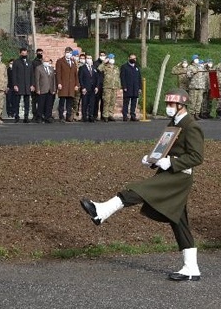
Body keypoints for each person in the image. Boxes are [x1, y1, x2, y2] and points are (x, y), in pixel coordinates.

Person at [80, 88, 205, 282]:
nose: (169, 108)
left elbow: (197, 157)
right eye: (168, 104)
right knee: (178, 220)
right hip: (169, 172)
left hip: (178, 177)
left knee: (140, 190)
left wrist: (172, 162)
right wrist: (153, 159)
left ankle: (102, 210)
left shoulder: (191, 126)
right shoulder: (174, 123)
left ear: (182, 106)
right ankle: (191, 267)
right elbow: (165, 147)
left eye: (172, 105)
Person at [55, 47, 80, 122]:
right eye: (67, 52)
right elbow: (58, 73)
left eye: (70, 52)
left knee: (70, 102)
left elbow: (76, 75)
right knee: (62, 101)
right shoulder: (60, 61)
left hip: (71, 85)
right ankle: (61, 116)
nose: (68, 54)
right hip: (63, 84)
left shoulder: (73, 62)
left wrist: (76, 84)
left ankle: (68, 116)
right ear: (65, 52)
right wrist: (59, 83)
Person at [11, 48, 34, 123]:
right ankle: (16, 116)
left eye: (25, 53)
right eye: (23, 53)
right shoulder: (16, 62)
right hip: (19, 85)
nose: (24, 55)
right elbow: (13, 74)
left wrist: (32, 85)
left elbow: (32, 75)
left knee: (27, 102)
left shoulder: (30, 62)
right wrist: (15, 84)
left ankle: (26, 117)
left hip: (27, 85)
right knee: (16, 102)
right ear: (20, 53)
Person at [98, 53, 120, 122]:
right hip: (107, 87)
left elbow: (117, 77)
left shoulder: (116, 67)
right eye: (111, 58)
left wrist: (118, 86)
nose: (112, 60)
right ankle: (105, 115)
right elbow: (99, 69)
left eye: (113, 58)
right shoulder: (105, 66)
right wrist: (103, 62)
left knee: (112, 102)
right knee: (106, 101)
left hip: (114, 87)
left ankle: (111, 114)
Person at [35, 55, 57, 123]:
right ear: (42, 61)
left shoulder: (51, 69)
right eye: (45, 61)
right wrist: (37, 89)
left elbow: (54, 80)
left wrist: (54, 89)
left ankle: (48, 117)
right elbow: (37, 80)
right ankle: (39, 117)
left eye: (48, 61)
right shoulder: (38, 68)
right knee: (41, 104)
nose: (47, 62)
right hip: (42, 89)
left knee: (49, 104)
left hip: (50, 89)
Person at [120, 53, 141, 121]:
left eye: (134, 58)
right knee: (126, 102)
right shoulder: (124, 67)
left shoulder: (137, 67)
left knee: (134, 102)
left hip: (135, 87)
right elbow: (122, 77)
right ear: (128, 58)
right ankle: (125, 115)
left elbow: (139, 78)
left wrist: (140, 88)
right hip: (127, 87)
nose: (133, 59)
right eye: (132, 58)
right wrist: (124, 86)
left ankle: (133, 115)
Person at [78, 54, 98, 122]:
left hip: (93, 88)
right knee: (85, 103)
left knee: (92, 103)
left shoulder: (94, 68)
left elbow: (96, 78)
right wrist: (83, 87)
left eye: (90, 58)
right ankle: (84, 116)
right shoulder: (82, 68)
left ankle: (90, 115)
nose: (89, 59)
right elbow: (80, 78)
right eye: (88, 58)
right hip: (85, 88)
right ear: (86, 59)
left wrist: (97, 87)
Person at [92, 51, 107, 121]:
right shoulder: (95, 63)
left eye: (104, 55)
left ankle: (103, 115)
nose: (102, 56)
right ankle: (95, 115)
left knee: (104, 101)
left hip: (105, 85)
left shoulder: (107, 64)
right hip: (98, 84)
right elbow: (97, 70)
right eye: (101, 55)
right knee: (96, 101)